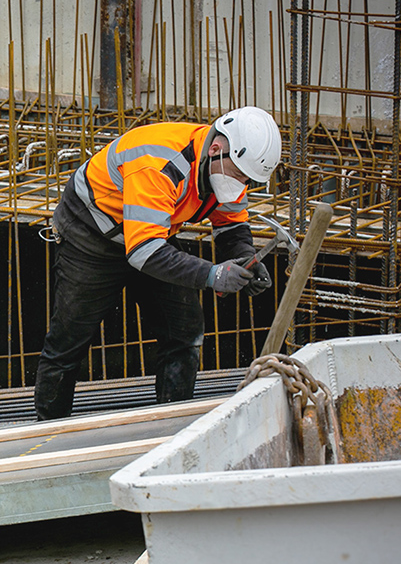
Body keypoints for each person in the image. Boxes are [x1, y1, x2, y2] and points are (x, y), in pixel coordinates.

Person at [35, 106, 282, 420]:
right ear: (217, 149)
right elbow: (144, 251)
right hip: (91, 235)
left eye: (248, 179)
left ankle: (172, 425)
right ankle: (50, 431)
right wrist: (212, 274)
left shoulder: (222, 166)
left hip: (150, 231)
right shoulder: (160, 164)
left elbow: (231, 224)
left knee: (184, 329)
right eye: (239, 175)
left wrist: (245, 257)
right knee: (69, 339)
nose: (241, 183)